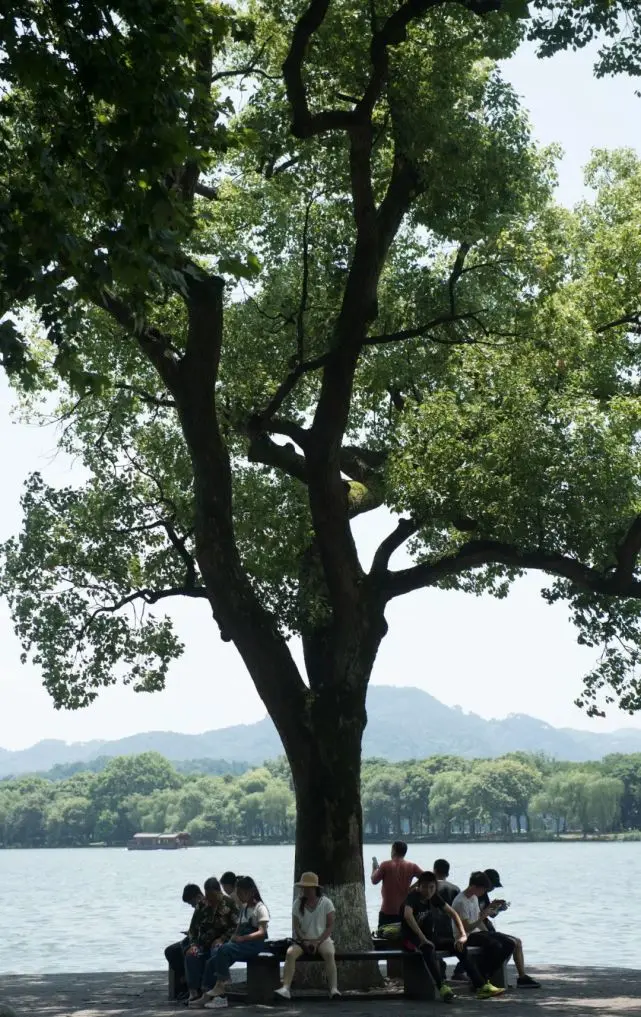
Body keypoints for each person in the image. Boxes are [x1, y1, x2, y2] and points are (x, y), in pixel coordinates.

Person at [401, 871, 505, 1002]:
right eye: (424, 887)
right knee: (428, 949)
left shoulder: (434, 897)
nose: (428, 891)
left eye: (432, 887)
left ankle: (481, 986)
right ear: (419, 886)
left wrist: (462, 936)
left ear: (435, 887)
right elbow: (408, 916)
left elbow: (453, 913)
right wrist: (423, 939)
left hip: (430, 937)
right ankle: (442, 987)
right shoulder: (413, 897)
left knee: (458, 946)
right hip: (411, 939)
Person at [197, 876, 269, 1009]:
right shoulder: (244, 908)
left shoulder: (260, 908)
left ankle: (223, 986)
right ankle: (207, 994)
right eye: (238, 893)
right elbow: (237, 930)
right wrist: (230, 940)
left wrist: (243, 938)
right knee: (212, 961)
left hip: (253, 944)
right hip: (240, 944)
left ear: (250, 891)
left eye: (241, 893)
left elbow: (262, 932)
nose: (239, 896)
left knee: (224, 950)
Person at [275, 872, 340, 1000]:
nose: (305, 890)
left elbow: (330, 926)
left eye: (308, 887)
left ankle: (333, 988)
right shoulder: (297, 903)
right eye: (303, 887)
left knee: (329, 954)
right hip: (303, 940)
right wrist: (304, 941)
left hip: (322, 939)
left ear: (315, 888)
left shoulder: (326, 903)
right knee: (290, 953)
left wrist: (317, 941)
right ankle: (285, 988)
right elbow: (297, 926)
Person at [451, 872, 515, 987]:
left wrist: (488, 932)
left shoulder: (474, 898)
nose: (484, 892)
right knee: (494, 945)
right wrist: (483, 917)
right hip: (465, 936)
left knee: (509, 943)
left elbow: (478, 922)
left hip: (477, 933)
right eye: (483, 889)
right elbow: (467, 928)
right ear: (474, 887)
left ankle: (486, 973)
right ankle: (482, 975)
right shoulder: (461, 902)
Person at [480, 869, 540, 989]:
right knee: (511, 943)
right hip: (481, 931)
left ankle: (521, 977)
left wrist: (497, 908)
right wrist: (492, 909)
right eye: (492, 886)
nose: (492, 889)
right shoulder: (475, 896)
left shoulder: (484, 895)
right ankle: (494, 976)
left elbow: (489, 914)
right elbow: (479, 916)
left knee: (516, 942)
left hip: (487, 930)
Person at [184, 877, 239, 1005]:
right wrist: (193, 945)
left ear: (219, 892)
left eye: (213, 896)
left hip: (222, 942)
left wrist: (222, 938)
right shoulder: (202, 905)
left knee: (217, 952)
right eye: (208, 896)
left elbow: (236, 927)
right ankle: (194, 991)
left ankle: (213, 989)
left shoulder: (229, 904)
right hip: (203, 943)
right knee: (191, 954)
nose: (210, 900)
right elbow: (193, 929)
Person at [165, 883, 204, 1000]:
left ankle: (190, 984)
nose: (192, 906)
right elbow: (194, 927)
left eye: (191, 903)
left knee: (186, 951)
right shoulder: (198, 908)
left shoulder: (206, 907)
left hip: (202, 940)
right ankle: (184, 980)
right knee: (171, 951)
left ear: (198, 896)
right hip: (194, 938)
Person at [371, 840, 423, 928]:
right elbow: (427, 878)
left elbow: (374, 881)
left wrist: (374, 869)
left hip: (387, 912)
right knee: (402, 939)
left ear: (393, 850)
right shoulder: (412, 866)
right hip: (405, 912)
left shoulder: (385, 865)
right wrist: (412, 888)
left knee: (385, 938)